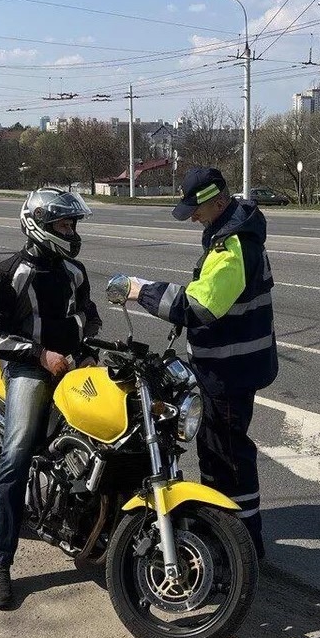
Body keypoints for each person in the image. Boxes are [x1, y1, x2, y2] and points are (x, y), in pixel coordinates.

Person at [125, 167, 277, 558]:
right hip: (231, 364)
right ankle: (226, 534)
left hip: (230, 369)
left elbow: (199, 306)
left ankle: (243, 546)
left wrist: (141, 291)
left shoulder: (232, 245)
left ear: (219, 202)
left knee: (228, 459)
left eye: (196, 209)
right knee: (217, 452)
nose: (193, 216)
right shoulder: (229, 232)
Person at [0, 188, 101, 609]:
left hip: (73, 366)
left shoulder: (75, 271)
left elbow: (88, 315)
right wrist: (40, 354)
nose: (71, 231)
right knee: (16, 456)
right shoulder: (6, 274)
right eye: (63, 224)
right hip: (29, 368)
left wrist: (87, 350)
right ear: (38, 226)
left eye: (72, 224)